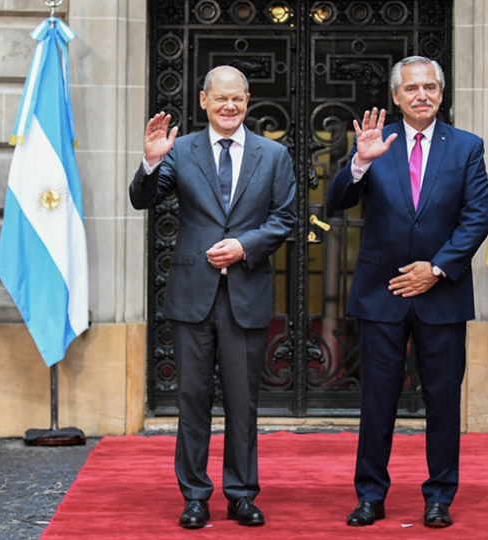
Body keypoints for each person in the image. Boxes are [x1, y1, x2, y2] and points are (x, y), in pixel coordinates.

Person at [129, 66, 296, 529]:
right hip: (192, 293)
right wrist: (149, 162)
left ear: (248, 101)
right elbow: (143, 200)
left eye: (237, 99)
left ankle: (242, 494)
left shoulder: (274, 154)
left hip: (246, 290)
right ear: (203, 101)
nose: (229, 106)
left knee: (243, 403)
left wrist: (246, 245)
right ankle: (195, 495)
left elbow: (285, 219)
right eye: (220, 98)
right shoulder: (179, 150)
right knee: (192, 398)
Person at [328, 56, 488, 528]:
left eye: (430, 87)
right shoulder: (377, 144)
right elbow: (337, 201)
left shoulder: (467, 147)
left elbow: (476, 218)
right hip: (384, 293)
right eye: (412, 88)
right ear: (396, 96)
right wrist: (360, 161)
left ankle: (439, 495)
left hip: (442, 294)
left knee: (442, 402)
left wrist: (437, 268)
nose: (422, 95)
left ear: (441, 93)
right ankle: (370, 496)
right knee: (377, 400)